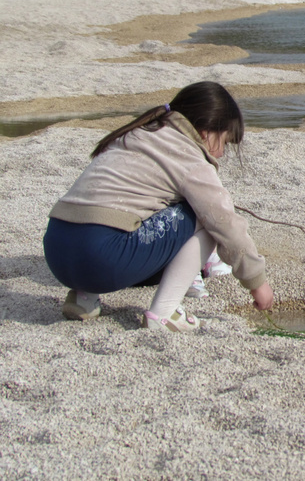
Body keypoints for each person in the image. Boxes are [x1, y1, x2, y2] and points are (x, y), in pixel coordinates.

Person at [43, 81, 274, 331]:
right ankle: (164, 314)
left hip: (58, 253)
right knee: (203, 216)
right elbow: (225, 223)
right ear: (207, 131)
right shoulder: (188, 155)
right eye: (225, 142)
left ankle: (83, 297)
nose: (220, 154)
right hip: (101, 259)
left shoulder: (137, 133)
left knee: (129, 212)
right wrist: (256, 282)